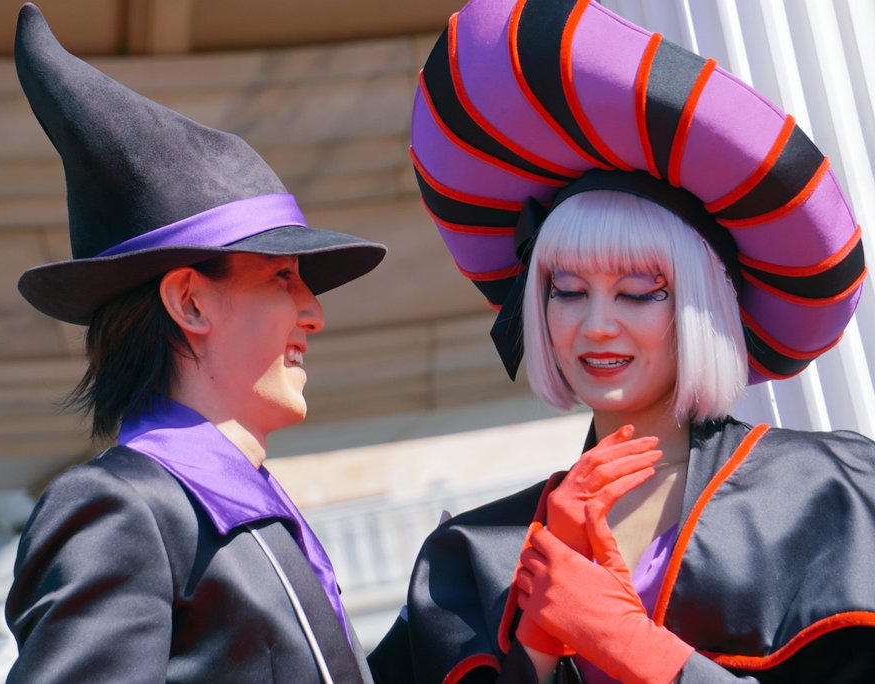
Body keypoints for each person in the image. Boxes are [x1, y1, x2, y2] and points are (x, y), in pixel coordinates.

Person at [368, 0, 875, 681]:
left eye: (639, 291)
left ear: (700, 306)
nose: (596, 324)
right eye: (566, 291)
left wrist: (630, 644)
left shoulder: (835, 494)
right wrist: (536, 650)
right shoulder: (470, 560)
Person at [4, 4, 385, 682]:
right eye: (282, 276)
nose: (314, 312)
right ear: (189, 301)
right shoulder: (124, 508)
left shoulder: (220, 500)